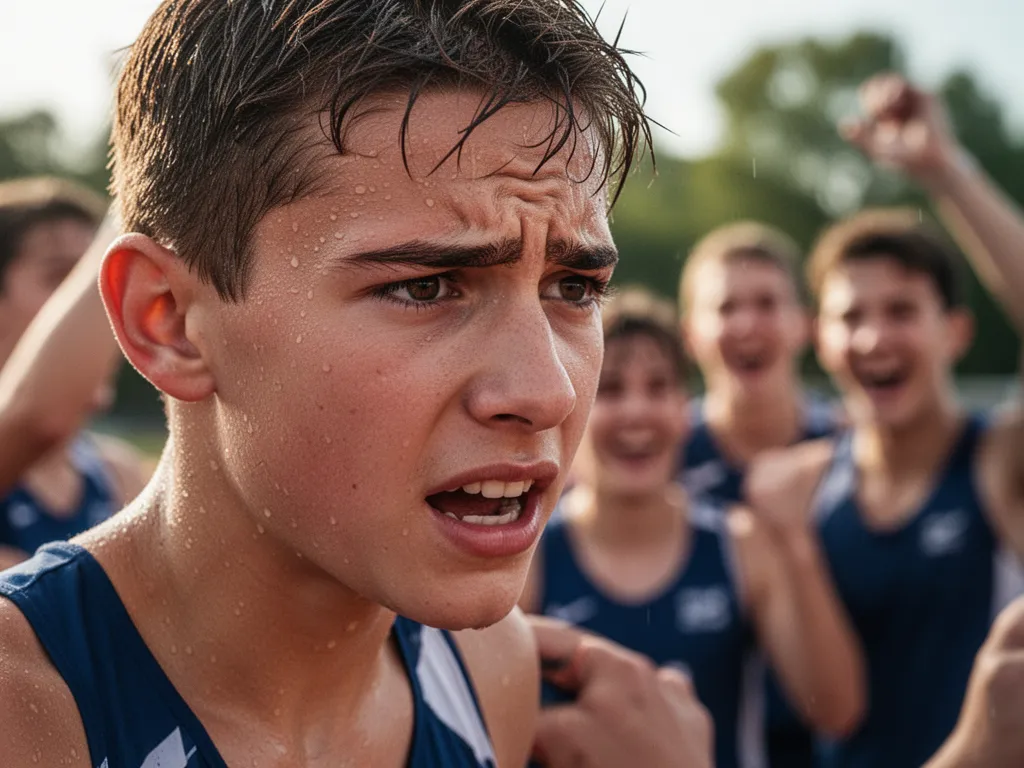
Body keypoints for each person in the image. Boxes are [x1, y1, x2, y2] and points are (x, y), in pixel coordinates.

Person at [0, 2, 713, 767]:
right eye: (429, 287)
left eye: (574, 289)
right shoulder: (25, 712)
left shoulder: (486, 671)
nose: (549, 392)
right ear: (167, 319)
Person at [747, 73, 1024, 768]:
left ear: (954, 333)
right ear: (823, 340)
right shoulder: (800, 491)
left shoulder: (997, 460)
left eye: (901, 311)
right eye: (851, 317)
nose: (873, 339)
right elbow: (827, 709)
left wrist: (946, 174)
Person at [521, 287, 863, 768]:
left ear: (686, 413)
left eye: (658, 387)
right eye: (611, 389)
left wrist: (796, 543)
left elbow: (836, 712)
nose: (637, 411)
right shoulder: (529, 551)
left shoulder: (739, 543)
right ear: (571, 410)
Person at [679, 222, 837, 768]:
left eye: (767, 303)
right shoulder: (647, 459)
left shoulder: (852, 451)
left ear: (803, 326)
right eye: (725, 307)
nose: (746, 323)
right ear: (690, 334)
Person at [0, 179, 147, 569]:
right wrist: (145, 189)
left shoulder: (122, 477)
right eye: (64, 278)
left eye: (104, 279)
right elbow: (39, 416)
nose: (100, 303)